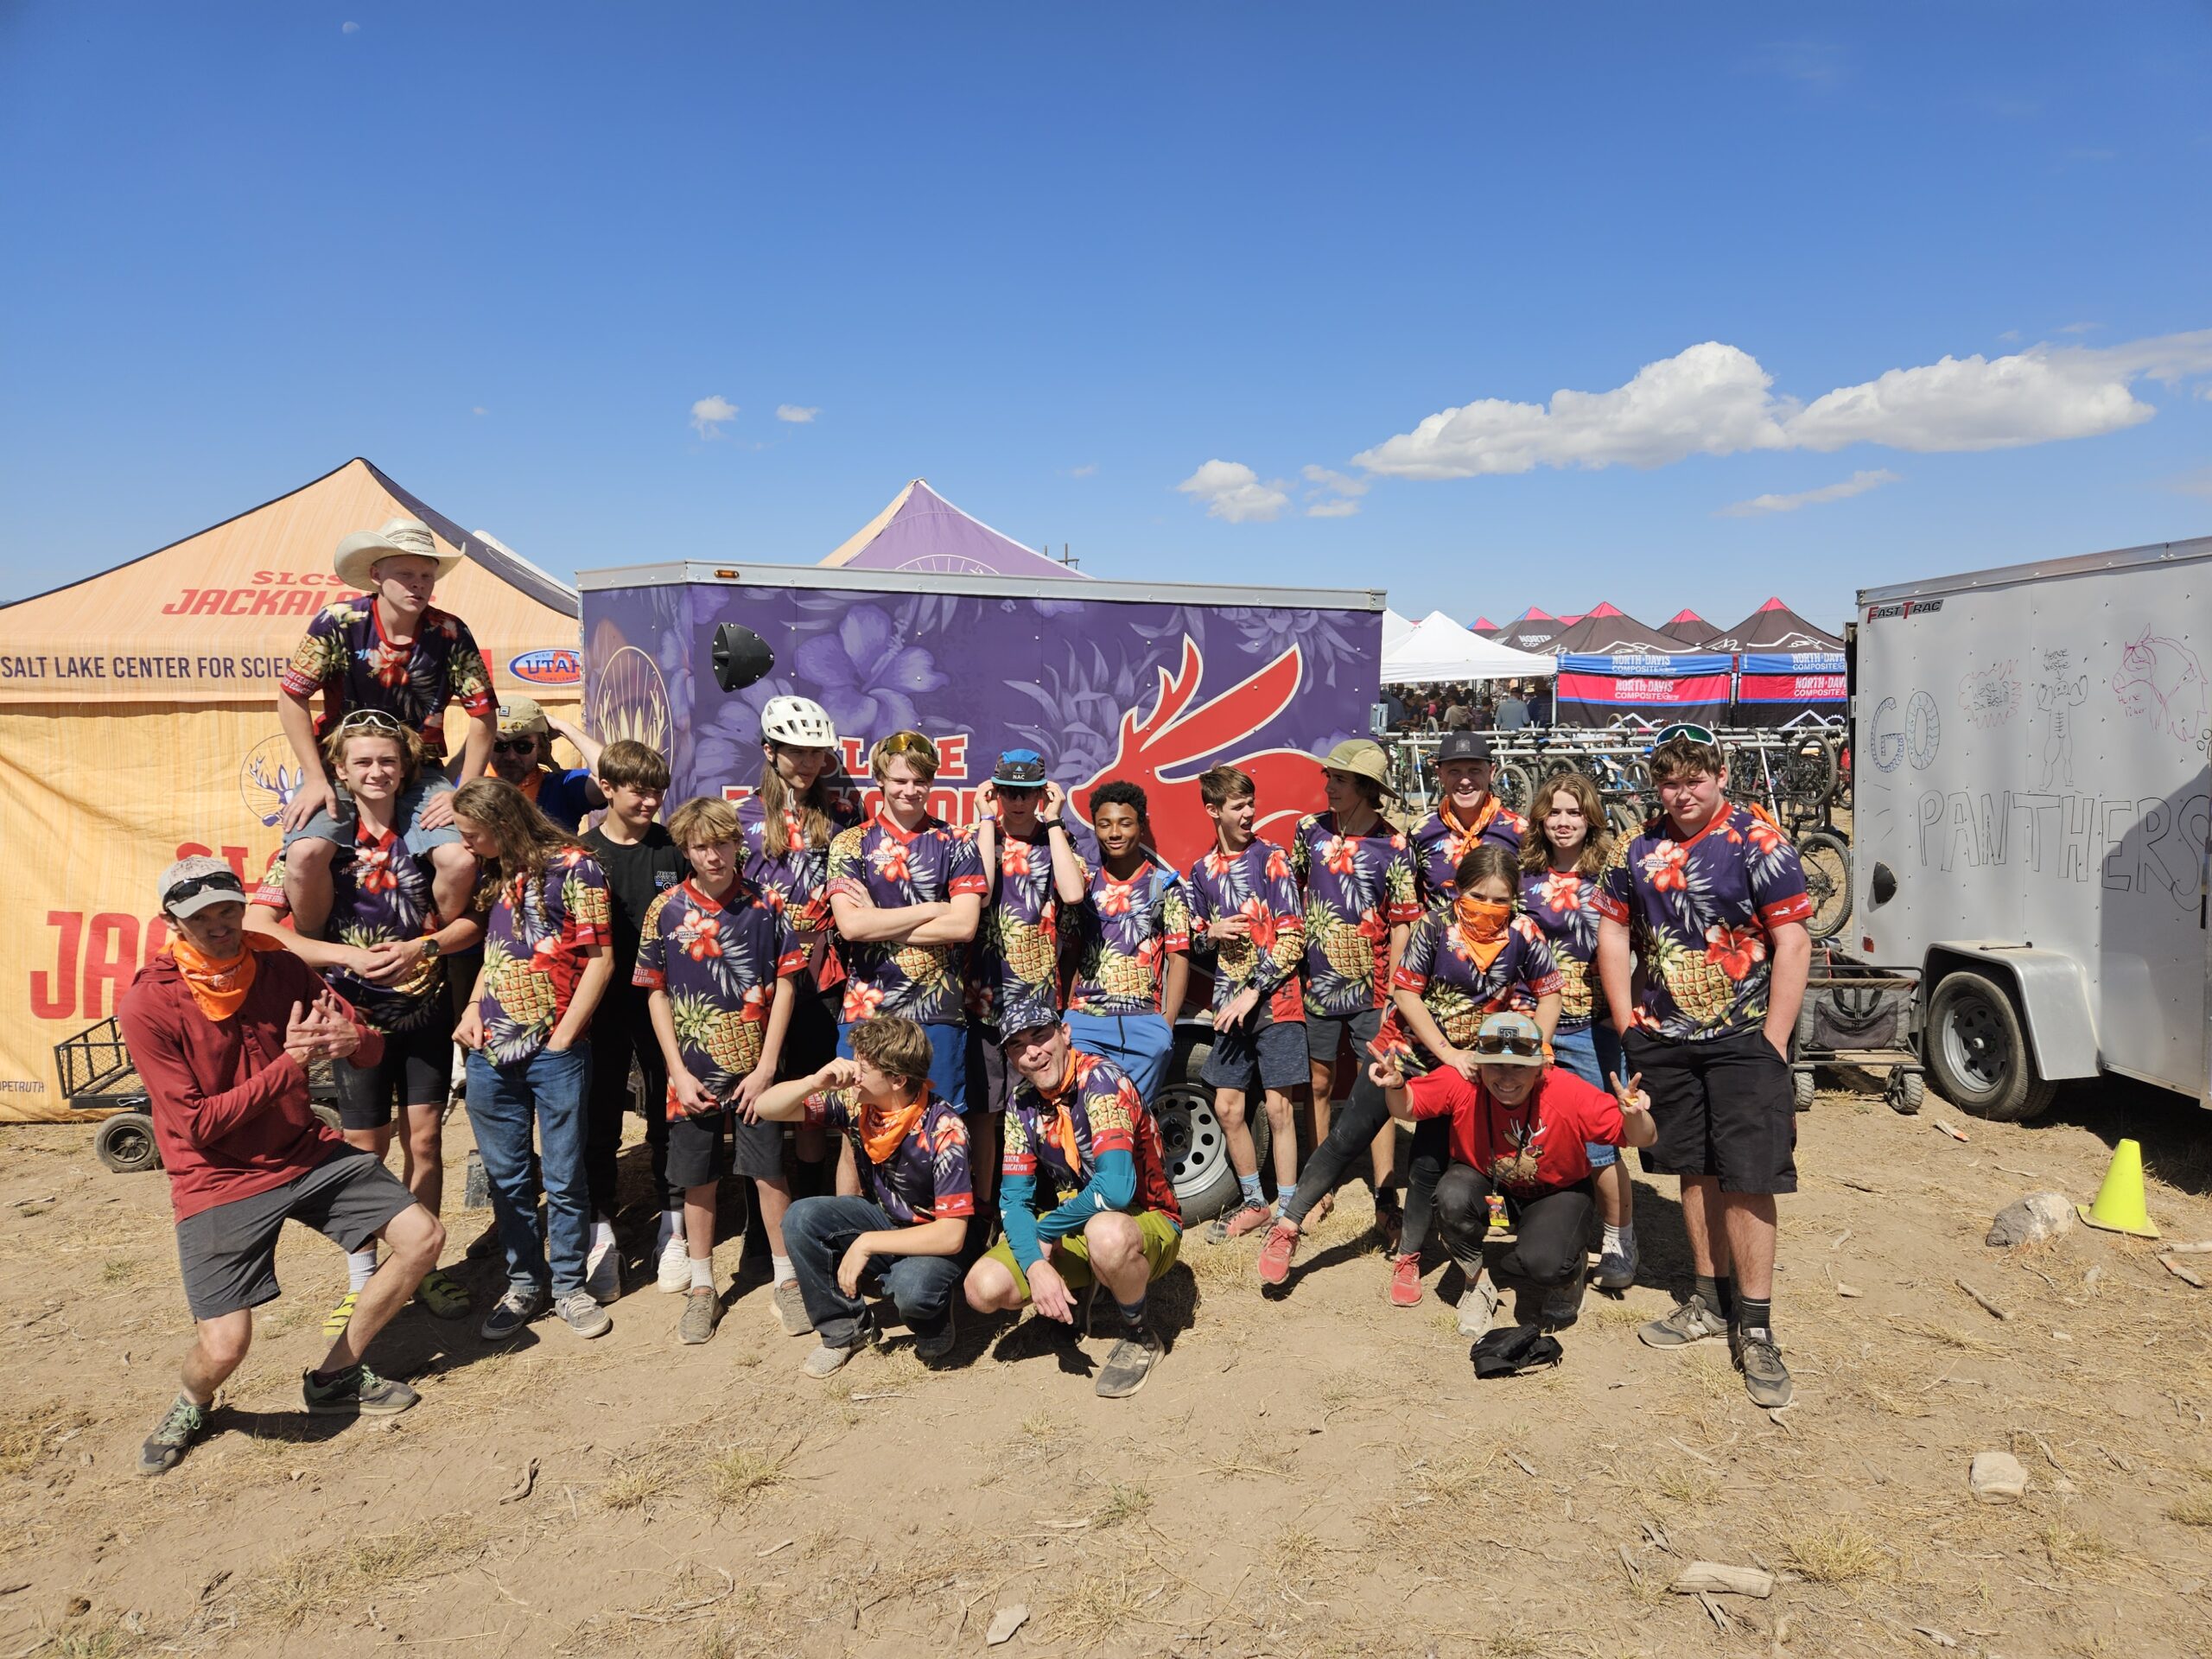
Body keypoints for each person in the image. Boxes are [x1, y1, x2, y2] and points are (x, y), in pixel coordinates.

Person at [120, 858, 445, 1476]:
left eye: (229, 911)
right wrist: (289, 1066)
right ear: (172, 923)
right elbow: (197, 1126)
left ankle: (336, 1375)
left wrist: (356, 1042)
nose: (221, 926)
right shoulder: (149, 1004)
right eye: (202, 918)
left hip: (304, 1149)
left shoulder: (279, 965)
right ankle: (192, 1401)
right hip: (216, 1176)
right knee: (224, 1348)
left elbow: (366, 1042)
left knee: (422, 1237)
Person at [1593, 724, 1812, 1408]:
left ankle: (1757, 1326)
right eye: (1669, 781)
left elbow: (1793, 942)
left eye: (1694, 779)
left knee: (1749, 1178)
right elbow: (1612, 929)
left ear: (1720, 775)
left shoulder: (1759, 841)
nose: (1682, 793)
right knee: (1694, 1168)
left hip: (1746, 1037)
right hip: (1667, 1038)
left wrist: (1773, 1042)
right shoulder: (1636, 848)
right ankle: (1710, 1302)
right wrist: (1627, 1022)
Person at [245, 713, 481, 1330]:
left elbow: (473, 922)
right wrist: (344, 956)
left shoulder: (430, 834)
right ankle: (364, 1277)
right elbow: (258, 927)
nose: (377, 772)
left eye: (387, 761)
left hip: (425, 1012)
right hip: (350, 1021)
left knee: (424, 1143)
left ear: (405, 767)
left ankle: (422, 1267)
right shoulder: (321, 840)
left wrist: (424, 947)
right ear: (340, 772)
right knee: (363, 1150)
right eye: (363, 763)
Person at [1259, 842, 1561, 1306]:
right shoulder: (1434, 926)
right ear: (1459, 890)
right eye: (1479, 896)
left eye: (1501, 900)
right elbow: (1405, 993)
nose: (1489, 908)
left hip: (1465, 1069)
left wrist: (1531, 1050)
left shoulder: (1524, 931)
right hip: (1403, 1051)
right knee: (1347, 1138)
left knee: (1427, 1163)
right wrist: (1447, 1052)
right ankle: (1287, 1227)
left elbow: (1550, 994)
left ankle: (1409, 1256)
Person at [1370, 1010, 1654, 1339]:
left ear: (1540, 1068)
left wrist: (1635, 1115)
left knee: (1546, 1264)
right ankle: (1477, 1285)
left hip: (1556, 1192)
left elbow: (1642, 1138)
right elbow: (1407, 1107)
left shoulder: (1566, 1091)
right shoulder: (1464, 1082)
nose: (1506, 1078)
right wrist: (1397, 1085)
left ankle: (1567, 1277)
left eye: (1519, 1066)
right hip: (1492, 1188)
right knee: (1451, 1195)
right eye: (1495, 1065)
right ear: (1479, 1065)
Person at [451, 778, 616, 1343]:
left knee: (565, 1177)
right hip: (490, 1051)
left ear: (502, 826)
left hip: (553, 1051)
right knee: (507, 1179)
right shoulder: (500, 870)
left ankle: (569, 1286)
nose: (466, 844)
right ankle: (524, 1284)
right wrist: (472, 1007)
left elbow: (601, 959)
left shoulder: (577, 868)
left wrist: (565, 1037)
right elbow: (498, 953)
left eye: (472, 834)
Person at [637, 798, 805, 1344]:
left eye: (722, 843)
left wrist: (767, 1068)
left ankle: (787, 1280)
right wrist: (676, 1072)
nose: (713, 856)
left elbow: (787, 984)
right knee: (697, 1178)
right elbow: (656, 992)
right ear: (685, 850)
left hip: (756, 1072)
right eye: (700, 846)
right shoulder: (665, 909)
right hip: (691, 1074)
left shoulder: (766, 904)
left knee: (769, 1173)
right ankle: (703, 1287)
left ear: (738, 843)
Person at [276, 516, 492, 941]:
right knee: (304, 854)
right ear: (376, 575)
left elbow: (483, 716)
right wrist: (315, 777)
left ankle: (429, 947)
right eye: (406, 574)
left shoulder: (450, 632)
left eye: (426, 576)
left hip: (419, 769)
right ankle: (314, 952)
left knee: (460, 861)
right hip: (342, 767)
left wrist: (461, 789)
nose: (418, 585)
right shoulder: (338, 621)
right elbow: (291, 696)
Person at [965, 1016, 1182, 1399]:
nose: (1033, 1053)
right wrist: (1035, 1266)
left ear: (1065, 1033)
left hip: (1145, 1219)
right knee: (982, 1288)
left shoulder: (1102, 1081)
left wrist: (1046, 1230)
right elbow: (1014, 1199)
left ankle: (1139, 1333)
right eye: (1017, 1046)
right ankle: (1083, 1288)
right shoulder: (1021, 1102)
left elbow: (1115, 1190)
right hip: (1075, 1220)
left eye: (1040, 1036)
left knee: (1106, 1233)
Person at [751, 1017, 976, 1377]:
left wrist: (867, 1244)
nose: (852, 1074)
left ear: (897, 1080)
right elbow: (766, 1108)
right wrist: (813, 1082)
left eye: (863, 1068)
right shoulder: (857, 1104)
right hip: (884, 1218)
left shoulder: (945, 1130)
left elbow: (952, 1235)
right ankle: (845, 1331)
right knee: (801, 1217)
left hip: (932, 1238)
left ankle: (933, 1319)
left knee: (914, 1290)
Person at [736, 696, 858, 1296]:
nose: (807, 763)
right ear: (770, 751)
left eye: (816, 752)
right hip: (757, 983)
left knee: (813, 1100)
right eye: (795, 751)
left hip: (821, 979)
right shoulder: (740, 818)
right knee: (756, 1105)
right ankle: (759, 1234)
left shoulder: (842, 814)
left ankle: (809, 1218)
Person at [1291, 741, 1419, 1230]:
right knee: (1319, 1083)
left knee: (1375, 1085)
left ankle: (1385, 1192)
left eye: (1340, 780)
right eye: (1329, 777)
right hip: (1318, 985)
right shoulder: (1309, 831)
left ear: (1366, 788)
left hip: (1374, 990)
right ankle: (1318, 1184)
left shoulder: (1395, 845)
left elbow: (1404, 923)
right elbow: (1293, 892)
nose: (1329, 787)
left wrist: (1395, 993)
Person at [577, 739, 689, 1301]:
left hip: (664, 1005)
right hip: (600, 1007)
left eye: (657, 793)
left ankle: (674, 1224)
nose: (649, 802)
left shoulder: (673, 850)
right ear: (608, 789)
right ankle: (601, 1231)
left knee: (669, 1112)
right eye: (638, 792)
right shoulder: (582, 854)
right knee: (598, 1118)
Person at [1519, 772, 1638, 1289]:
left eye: (1574, 812)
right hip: (1531, 1024)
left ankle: (1619, 1241)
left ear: (1591, 818)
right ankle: (1546, 1233)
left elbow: (1640, 944)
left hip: (1591, 1028)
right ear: (1540, 819)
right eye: (1554, 812)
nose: (1563, 822)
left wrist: (1623, 1013)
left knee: (1599, 1145)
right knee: (1532, 1134)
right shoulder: (1522, 877)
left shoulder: (1609, 876)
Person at [824, 731, 984, 1107]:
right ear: (880, 779)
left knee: (940, 1122)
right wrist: (934, 908)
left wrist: (877, 921)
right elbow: (852, 927)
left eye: (920, 781)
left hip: (938, 1010)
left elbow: (963, 926)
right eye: (899, 780)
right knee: (860, 1122)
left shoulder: (958, 841)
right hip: (867, 1008)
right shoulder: (849, 843)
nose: (910, 791)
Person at [1182, 766, 1306, 1243]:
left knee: (1279, 1109)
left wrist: (1254, 989)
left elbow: (1293, 938)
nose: (1250, 813)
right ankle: (1255, 1203)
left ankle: (1288, 1210)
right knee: (1229, 1108)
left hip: (1277, 1002)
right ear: (1213, 810)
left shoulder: (1272, 858)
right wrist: (1210, 932)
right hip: (1229, 1007)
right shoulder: (1201, 871)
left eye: (1251, 803)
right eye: (1238, 806)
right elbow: (1194, 938)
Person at [966, 749, 1090, 1198]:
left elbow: (1073, 894)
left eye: (1028, 792)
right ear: (995, 792)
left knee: (1037, 1108)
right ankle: (985, 1206)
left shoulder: (1056, 839)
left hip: (1036, 1004)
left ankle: (1036, 1200)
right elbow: (979, 893)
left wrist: (1054, 820)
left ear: (1043, 793)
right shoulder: (980, 836)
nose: (1018, 802)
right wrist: (985, 820)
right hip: (983, 999)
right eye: (1009, 792)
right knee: (985, 1112)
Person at [1063, 780, 1191, 1106]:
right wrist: (1066, 1016)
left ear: (1141, 826)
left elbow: (1178, 958)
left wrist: (1165, 1026)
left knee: (1133, 1117)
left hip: (1143, 1023)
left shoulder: (1165, 887)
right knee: (1088, 1117)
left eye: (1125, 823)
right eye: (1105, 824)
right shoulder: (1084, 888)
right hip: (1085, 1025)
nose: (1115, 833)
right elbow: (1071, 956)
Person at [1409, 733, 1525, 908]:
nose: (1464, 781)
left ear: (1491, 772)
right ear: (1440, 774)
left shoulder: (1520, 831)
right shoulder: (1421, 831)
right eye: (1454, 771)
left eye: (1475, 771)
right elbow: (1409, 900)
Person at [488, 696, 606, 833]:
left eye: (522, 746)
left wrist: (563, 728)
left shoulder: (562, 788)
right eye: (500, 745)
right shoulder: (471, 786)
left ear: (541, 747)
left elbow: (615, 777)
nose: (510, 756)